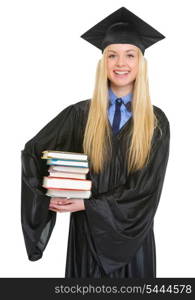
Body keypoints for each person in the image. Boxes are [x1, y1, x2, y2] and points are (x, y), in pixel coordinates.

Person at [21, 7, 170, 278]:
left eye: (130, 55)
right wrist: (47, 195)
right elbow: (33, 152)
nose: (120, 63)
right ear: (103, 62)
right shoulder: (80, 115)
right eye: (112, 55)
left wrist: (87, 205)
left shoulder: (155, 122)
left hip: (133, 242)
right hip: (86, 239)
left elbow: (146, 192)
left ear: (141, 62)